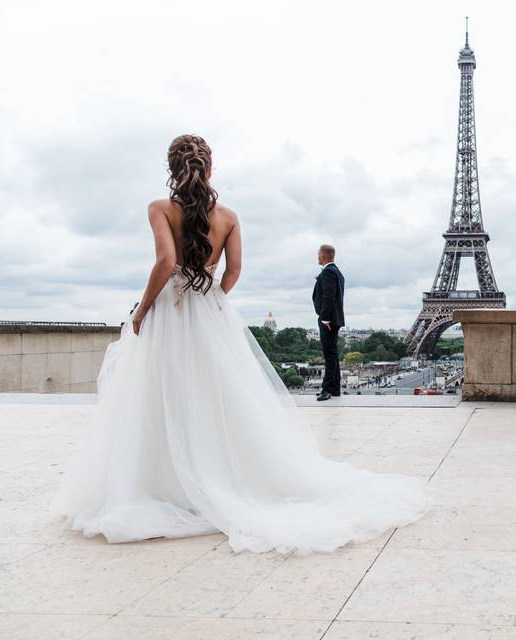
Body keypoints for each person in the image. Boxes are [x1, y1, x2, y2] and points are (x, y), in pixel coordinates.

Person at [52, 134, 429, 554]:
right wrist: (211, 297)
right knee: (215, 395)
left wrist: (142, 310)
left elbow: (164, 262)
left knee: (161, 394)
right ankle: (215, 471)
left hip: (168, 313)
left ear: (172, 170)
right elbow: (234, 272)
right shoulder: (229, 216)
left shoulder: (159, 209)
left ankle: (168, 481)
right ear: (210, 170)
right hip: (208, 309)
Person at [312, 245, 344, 401]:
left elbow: (328, 297)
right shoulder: (337, 272)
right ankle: (335, 388)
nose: (317, 256)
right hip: (334, 318)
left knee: (329, 355)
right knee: (333, 354)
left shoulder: (329, 272)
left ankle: (327, 389)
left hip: (328, 320)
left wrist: (325, 319)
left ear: (323, 255)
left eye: (318, 254)